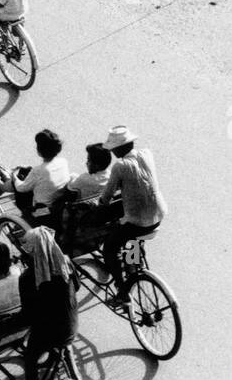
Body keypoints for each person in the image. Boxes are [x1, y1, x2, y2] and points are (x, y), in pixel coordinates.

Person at [97, 127, 167, 298]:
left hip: (139, 221)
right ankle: (132, 267)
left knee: (110, 249)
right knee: (133, 239)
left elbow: (106, 197)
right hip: (158, 213)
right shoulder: (146, 153)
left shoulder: (120, 166)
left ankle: (122, 291)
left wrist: (99, 204)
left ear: (117, 149)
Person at [18, 227, 79, 380]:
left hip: (50, 332)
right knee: (58, 341)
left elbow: (27, 315)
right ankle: (71, 373)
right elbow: (77, 286)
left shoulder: (28, 277)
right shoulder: (66, 263)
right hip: (71, 325)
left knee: (30, 358)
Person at [59, 143, 112, 254]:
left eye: (88, 160)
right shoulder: (111, 176)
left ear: (96, 165)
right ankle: (134, 263)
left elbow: (69, 192)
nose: (86, 163)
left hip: (83, 218)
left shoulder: (85, 179)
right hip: (103, 217)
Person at [10, 128, 70, 224]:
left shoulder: (39, 170)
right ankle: (2, 185)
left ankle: (1, 185)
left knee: (19, 179)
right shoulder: (63, 162)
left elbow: (21, 188)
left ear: (39, 150)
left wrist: (13, 176)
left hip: (43, 212)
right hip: (58, 204)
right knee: (28, 173)